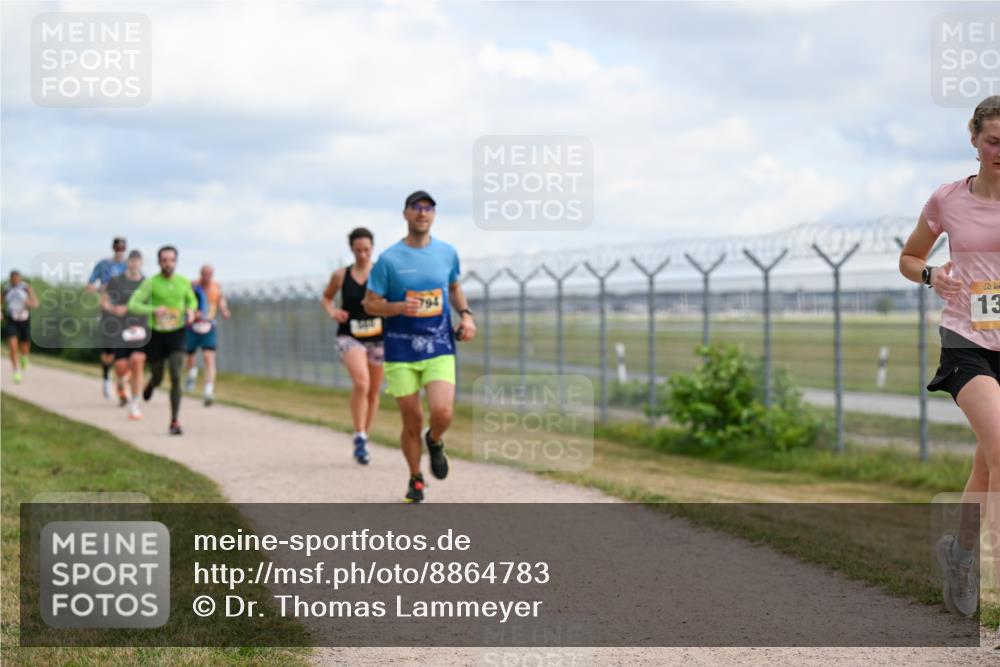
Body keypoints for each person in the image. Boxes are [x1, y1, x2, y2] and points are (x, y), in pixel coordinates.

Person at [899, 95, 1000, 618]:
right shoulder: (948, 199)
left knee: (987, 469)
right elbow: (909, 256)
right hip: (968, 342)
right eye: (994, 141)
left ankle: (958, 557)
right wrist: (933, 275)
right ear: (975, 141)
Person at [363, 191, 476, 502]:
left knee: (442, 411)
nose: (422, 214)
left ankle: (436, 440)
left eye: (428, 209)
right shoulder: (389, 260)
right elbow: (370, 305)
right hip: (400, 351)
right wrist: (400, 307)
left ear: (434, 215)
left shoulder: (447, 253)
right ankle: (415, 479)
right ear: (406, 214)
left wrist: (466, 315)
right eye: (416, 208)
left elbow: (453, 286)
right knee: (411, 421)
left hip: (439, 345)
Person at [322, 227, 384, 464]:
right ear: (352, 250)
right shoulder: (340, 275)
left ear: (372, 248)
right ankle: (358, 434)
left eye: (366, 250)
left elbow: (396, 299)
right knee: (361, 382)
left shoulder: (382, 273)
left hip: (379, 336)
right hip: (350, 335)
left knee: (373, 391)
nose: (362, 255)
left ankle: (364, 438)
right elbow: (326, 298)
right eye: (358, 250)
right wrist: (332, 312)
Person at [128, 245, 198, 435]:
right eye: (164, 260)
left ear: (176, 261)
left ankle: (175, 421)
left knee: (176, 375)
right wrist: (153, 310)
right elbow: (132, 304)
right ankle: (152, 383)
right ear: (159, 262)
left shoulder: (183, 282)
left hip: (177, 333)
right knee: (158, 376)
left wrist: (191, 310)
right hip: (157, 335)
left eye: (171, 260)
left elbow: (192, 300)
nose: (168, 263)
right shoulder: (151, 283)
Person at [102, 250, 148, 419]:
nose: (134, 264)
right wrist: (114, 309)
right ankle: (121, 382)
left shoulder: (146, 283)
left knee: (137, 361)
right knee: (121, 366)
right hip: (121, 328)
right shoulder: (116, 281)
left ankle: (135, 404)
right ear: (127, 262)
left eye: (137, 261)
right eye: (131, 261)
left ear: (141, 263)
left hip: (140, 328)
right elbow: (105, 301)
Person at [86, 236, 128, 399]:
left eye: (122, 248)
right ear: (113, 248)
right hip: (107, 311)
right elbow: (89, 286)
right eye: (117, 248)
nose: (120, 251)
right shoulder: (103, 265)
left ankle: (122, 385)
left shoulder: (129, 266)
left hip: (125, 312)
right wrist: (101, 289)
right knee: (108, 352)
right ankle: (105, 379)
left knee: (126, 351)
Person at [184, 264, 230, 406]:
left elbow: (220, 300)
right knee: (190, 355)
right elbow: (185, 301)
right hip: (192, 326)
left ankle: (208, 391)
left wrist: (223, 310)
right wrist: (191, 312)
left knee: (208, 357)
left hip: (208, 325)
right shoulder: (193, 285)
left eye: (210, 274)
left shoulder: (216, 287)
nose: (207, 276)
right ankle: (192, 373)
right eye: (205, 273)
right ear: (201, 273)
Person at [2, 270, 38, 383]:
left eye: (17, 279)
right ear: (10, 279)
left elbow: (36, 302)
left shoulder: (26, 288)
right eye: (13, 279)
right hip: (12, 319)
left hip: (24, 319)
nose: (15, 281)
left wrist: (30, 304)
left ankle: (24, 357)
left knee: (25, 345)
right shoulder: (6, 289)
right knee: (12, 346)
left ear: (20, 279)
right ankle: (16, 371)